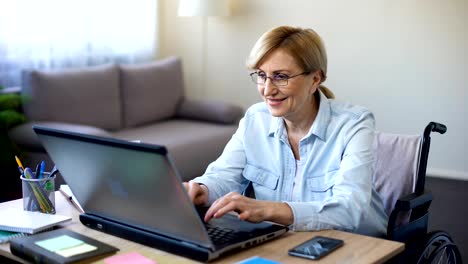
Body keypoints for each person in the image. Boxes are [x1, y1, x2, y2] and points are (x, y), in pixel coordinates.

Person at [183, 25, 387, 236]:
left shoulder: (354, 124)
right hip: (285, 242)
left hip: (355, 245)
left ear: (315, 80)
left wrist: (266, 209)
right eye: (262, 75)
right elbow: (224, 175)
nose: (268, 90)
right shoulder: (255, 118)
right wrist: (202, 189)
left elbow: (349, 209)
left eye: (281, 76)